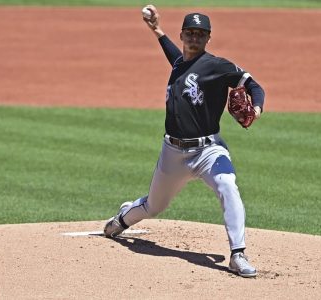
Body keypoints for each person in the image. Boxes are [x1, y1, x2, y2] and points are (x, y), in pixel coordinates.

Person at [104, 5, 265, 278]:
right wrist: (156, 30)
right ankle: (121, 220)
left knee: (228, 184)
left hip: (208, 151)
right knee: (153, 206)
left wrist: (257, 109)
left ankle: (238, 254)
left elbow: (255, 86)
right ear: (182, 35)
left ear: (208, 38)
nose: (194, 37)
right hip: (173, 152)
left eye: (200, 34)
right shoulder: (180, 63)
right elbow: (174, 57)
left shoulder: (217, 65)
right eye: (190, 33)